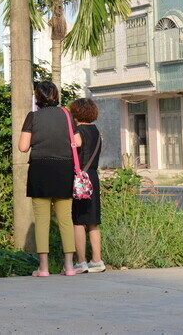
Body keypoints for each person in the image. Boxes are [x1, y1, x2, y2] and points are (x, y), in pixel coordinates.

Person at [18, 81, 82, 276]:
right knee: (65, 219)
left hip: (40, 170)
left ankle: (43, 268)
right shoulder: (67, 115)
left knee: (42, 219)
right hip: (63, 169)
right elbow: (78, 141)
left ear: (37, 97)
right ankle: (70, 267)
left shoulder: (33, 117)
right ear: (55, 95)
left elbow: (22, 147)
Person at [69, 98, 105, 273]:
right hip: (93, 175)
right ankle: (97, 260)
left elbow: (76, 149)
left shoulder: (78, 132)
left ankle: (81, 261)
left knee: (78, 221)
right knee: (93, 221)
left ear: (75, 113)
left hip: (80, 177)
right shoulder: (96, 131)